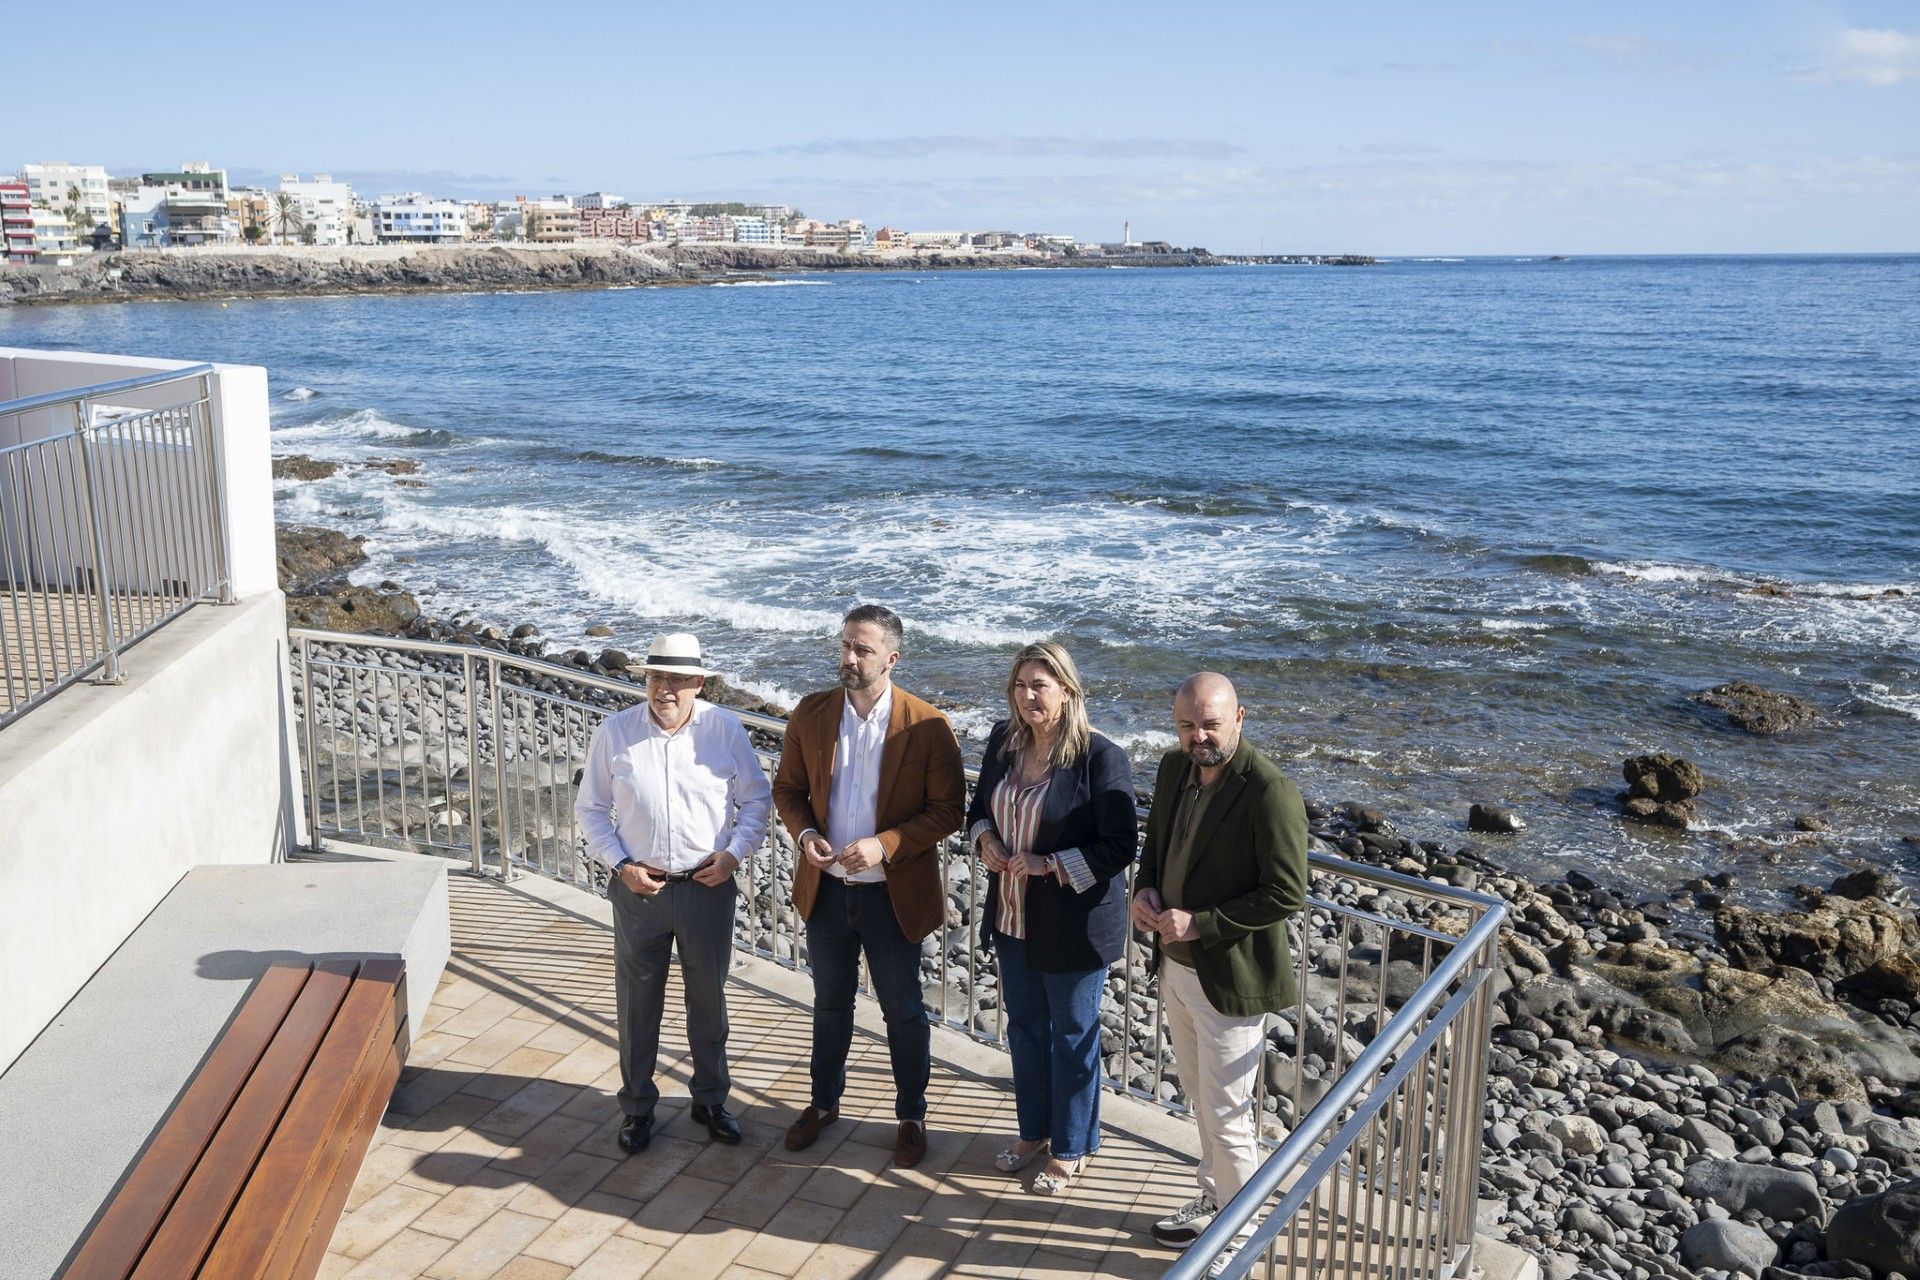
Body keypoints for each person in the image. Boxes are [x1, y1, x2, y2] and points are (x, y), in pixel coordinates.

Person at [772, 604, 965, 1169]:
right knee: (829, 1005)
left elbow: (949, 810)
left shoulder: (927, 725)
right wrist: (805, 832)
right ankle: (824, 1104)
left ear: (892, 658)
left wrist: (885, 844)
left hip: (892, 897)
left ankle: (911, 1114)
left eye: (863, 650)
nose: (849, 659)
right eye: (846, 646)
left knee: (903, 1011)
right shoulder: (811, 713)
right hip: (827, 890)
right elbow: (788, 789)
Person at [574, 632, 773, 1155]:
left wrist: (733, 855)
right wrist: (620, 866)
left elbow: (756, 801)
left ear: (699, 684)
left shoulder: (725, 730)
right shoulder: (615, 732)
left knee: (708, 1002)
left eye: (678, 679)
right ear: (645, 679)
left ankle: (709, 1100)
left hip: (707, 888)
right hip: (638, 890)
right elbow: (589, 810)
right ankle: (637, 1108)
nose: (665, 689)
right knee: (637, 1005)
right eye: (656, 677)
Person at [1130, 672, 1308, 1250]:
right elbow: (1155, 844)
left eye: (1210, 723)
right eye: (1186, 725)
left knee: (1229, 1114)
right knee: (1200, 1101)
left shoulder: (1269, 790)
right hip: (1176, 967)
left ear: (1240, 718)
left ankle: (1238, 1240)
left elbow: (1286, 892)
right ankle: (1214, 1200)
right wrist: (1147, 890)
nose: (1198, 737)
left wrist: (1200, 922)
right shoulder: (1172, 768)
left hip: (1229, 977)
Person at [966, 642, 1138, 1195]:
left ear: (1067, 690)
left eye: (1040, 685)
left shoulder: (1099, 757)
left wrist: (1050, 865)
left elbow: (1120, 845)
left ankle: (1073, 1145)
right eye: (1020, 685)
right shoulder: (1003, 740)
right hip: (1013, 918)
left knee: (1072, 1034)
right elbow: (977, 812)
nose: (1028, 695)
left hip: (1074, 925)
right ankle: (1034, 1132)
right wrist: (984, 840)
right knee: (1025, 1031)